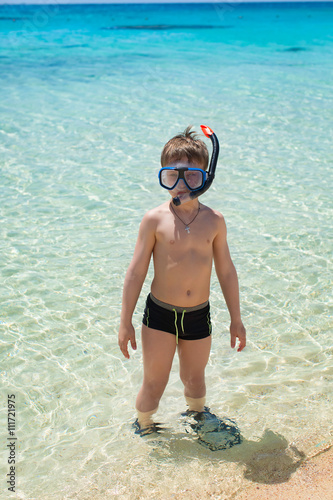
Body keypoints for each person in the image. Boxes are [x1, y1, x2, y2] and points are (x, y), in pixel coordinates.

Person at [118, 126, 246, 431]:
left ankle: (198, 419)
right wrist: (125, 322)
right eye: (171, 176)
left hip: (198, 315)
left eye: (191, 176)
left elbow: (226, 271)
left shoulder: (214, 221)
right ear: (163, 177)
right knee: (155, 381)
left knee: (194, 379)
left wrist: (236, 318)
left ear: (205, 178)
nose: (180, 185)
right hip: (160, 314)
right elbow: (136, 272)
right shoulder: (154, 220)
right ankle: (145, 428)